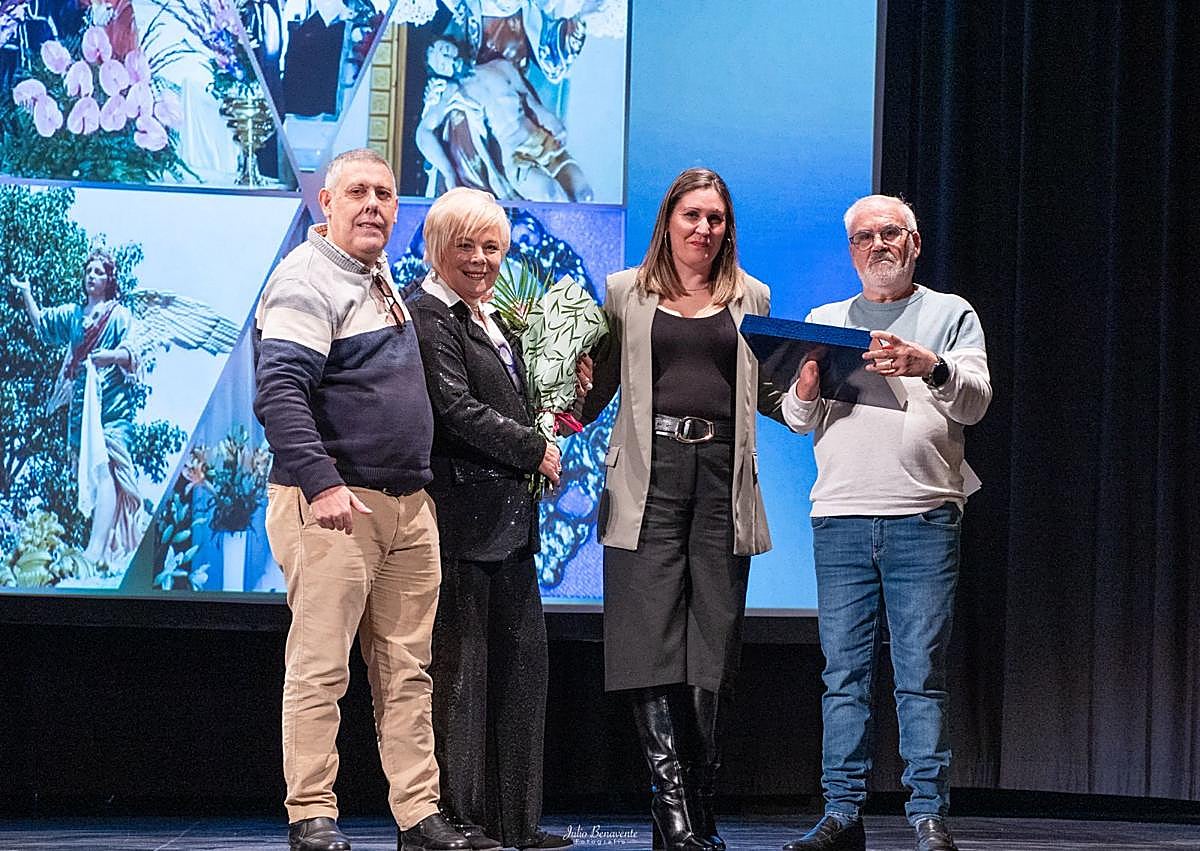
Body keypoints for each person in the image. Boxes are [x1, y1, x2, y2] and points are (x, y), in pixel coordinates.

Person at [253, 148, 469, 851]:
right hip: (335, 506)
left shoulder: (378, 277)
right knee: (321, 668)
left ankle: (418, 814)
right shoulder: (305, 277)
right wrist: (322, 483)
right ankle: (311, 813)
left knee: (408, 672)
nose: (373, 205)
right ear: (327, 203)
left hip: (405, 506)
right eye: (357, 192)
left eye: (384, 193)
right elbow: (279, 392)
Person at [581, 167, 784, 851]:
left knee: (711, 644)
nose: (703, 228)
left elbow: (773, 396)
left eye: (715, 218)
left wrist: (811, 388)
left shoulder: (752, 296)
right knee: (649, 640)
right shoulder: (624, 293)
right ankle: (670, 809)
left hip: (722, 478)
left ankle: (700, 803)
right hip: (649, 477)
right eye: (692, 215)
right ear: (668, 219)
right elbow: (594, 395)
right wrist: (563, 385)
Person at [780, 195, 992, 851]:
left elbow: (976, 402)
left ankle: (927, 814)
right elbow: (798, 418)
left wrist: (931, 365)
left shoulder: (950, 314)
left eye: (891, 233)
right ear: (851, 251)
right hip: (840, 515)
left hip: (922, 515)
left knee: (919, 675)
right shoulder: (825, 321)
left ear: (914, 243)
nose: (878, 244)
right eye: (865, 236)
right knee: (842, 676)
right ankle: (842, 812)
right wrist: (803, 391)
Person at [406, 186, 574, 851]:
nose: (480, 259)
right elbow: (452, 408)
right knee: (461, 679)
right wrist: (535, 448)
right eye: (466, 246)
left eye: (492, 247)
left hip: (510, 524)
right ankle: (459, 818)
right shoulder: (428, 316)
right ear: (436, 247)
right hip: (460, 522)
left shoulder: (492, 317)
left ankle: (516, 823)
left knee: (522, 670)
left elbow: (511, 400)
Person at [11, 251, 142, 566]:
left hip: (112, 406)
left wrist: (110, 356)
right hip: (84, 408)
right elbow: (43, 324)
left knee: (106, 468)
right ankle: (105, 547)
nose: (91, 276)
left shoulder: (119, 315)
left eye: (98, 271)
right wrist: (27, 292)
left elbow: (133, 353)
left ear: (109, 280)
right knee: (96, 472)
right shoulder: (73, 315)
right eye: (88, 271)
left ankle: (96, 549)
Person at [416, 38, 592, 203]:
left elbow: (529, 99)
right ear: (440, 74)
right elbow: (423, 134)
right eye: (441, 64)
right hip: (516, 158)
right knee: (550, 193)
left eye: (445, 50)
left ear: (454, 44)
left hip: (540, 139)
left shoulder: (499, 67)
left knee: (584, 194)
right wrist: (448, 173)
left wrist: (550, 119)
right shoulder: (454, 93)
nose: (448, 59)